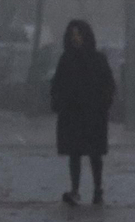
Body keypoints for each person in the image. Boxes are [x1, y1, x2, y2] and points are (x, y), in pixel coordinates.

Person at [49, 19, 115, 205]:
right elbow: (57, 84)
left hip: (94, 115)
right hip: (72, 115)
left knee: (95, 155)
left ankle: (97, 190)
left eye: (78, 35)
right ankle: (75, 190)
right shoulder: (66, 59)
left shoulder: (98, 59)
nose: (75, 39)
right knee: (74, 154)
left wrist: (103, 104)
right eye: (72, 35)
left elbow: (108, 84)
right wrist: (58, 101)